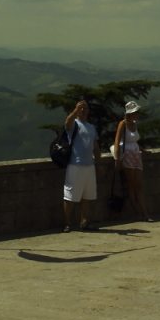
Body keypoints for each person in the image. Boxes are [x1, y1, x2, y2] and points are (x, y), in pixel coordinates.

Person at [60, 99, 98, 231]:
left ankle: (84, 221)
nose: (83, 110)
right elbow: (67, 122)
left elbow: (95, 146)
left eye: (85, 108)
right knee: (70, 195)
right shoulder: (74, 124)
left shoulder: (91, 127)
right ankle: (67, 223)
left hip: (89, 165)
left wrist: (99, 164)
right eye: (80, 108)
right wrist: (75, 110)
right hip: (75, 164)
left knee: (87, 195)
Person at [112, 99, 150, 221]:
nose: (138, 114)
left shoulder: (134, 124)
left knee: (138, 184)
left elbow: (134, 141)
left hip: (136, 154)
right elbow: (117, 141)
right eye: (136, 112)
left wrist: (143, 150)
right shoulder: (123, 124)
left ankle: (144, 213)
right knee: (131, 184)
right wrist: (117, 159)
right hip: (127, 154)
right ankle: (138, 212)